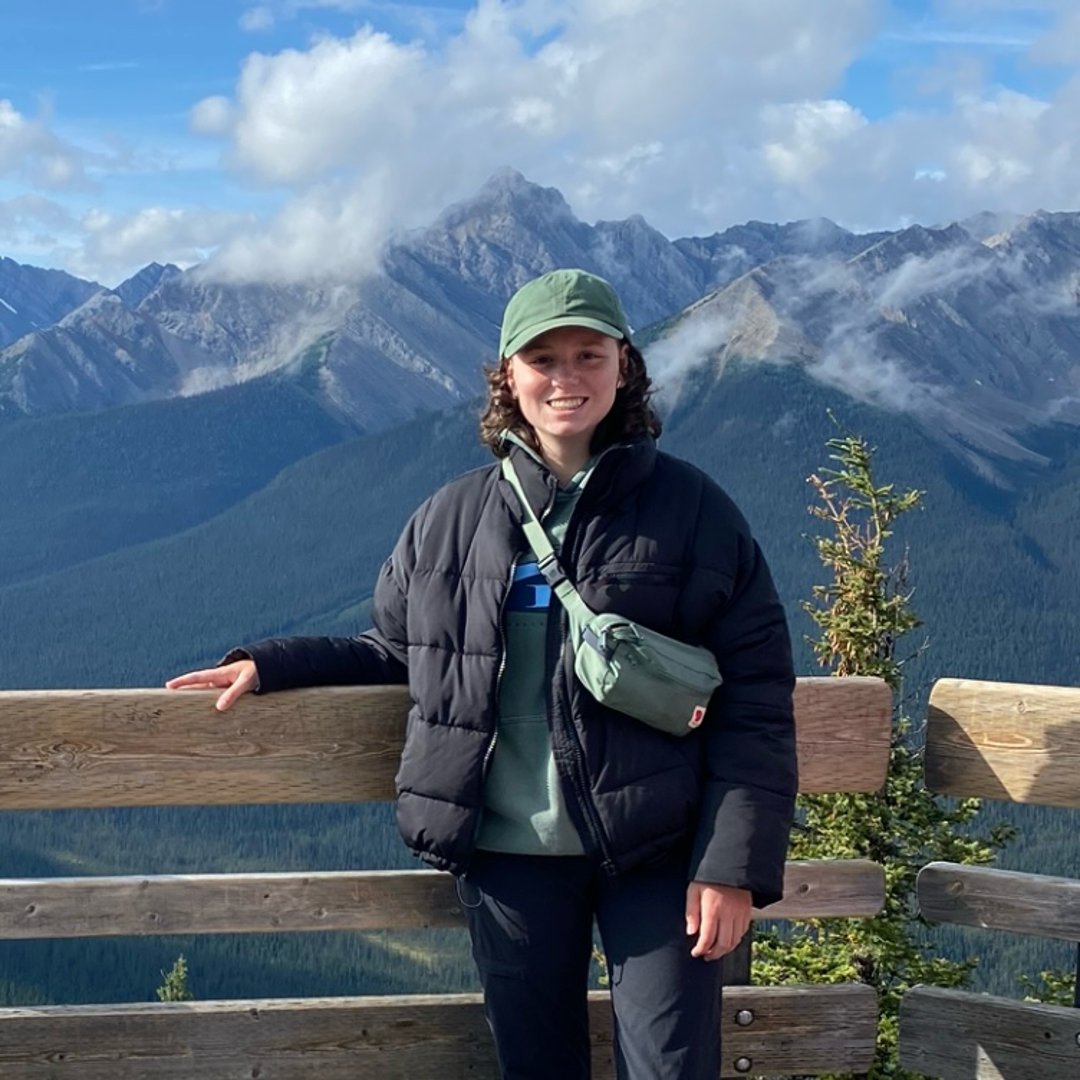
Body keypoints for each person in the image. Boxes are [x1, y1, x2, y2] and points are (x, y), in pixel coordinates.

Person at [167, 268, 797, 1080]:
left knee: (673, 1067)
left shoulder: (694, 511)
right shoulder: (452, 517)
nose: (566, 378)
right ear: (508, 375)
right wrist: (273, 662)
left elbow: (755, 698)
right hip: (507, 856)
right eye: (542, 359)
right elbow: (396, 650)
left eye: (588, 355)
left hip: (659, 850)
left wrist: (731, 867)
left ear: (623, 367)